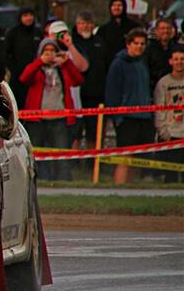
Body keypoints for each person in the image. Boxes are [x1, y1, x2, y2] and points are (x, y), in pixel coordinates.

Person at [19, 38, 84, 181]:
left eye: (52, 50)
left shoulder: (63, 69)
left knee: (61, 153)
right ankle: (38, 181)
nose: (49, 54)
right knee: (37, 153)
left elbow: (78, 80)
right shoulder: (36, 68)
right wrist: (39, 62)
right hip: (37, 119)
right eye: (46, 51)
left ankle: (63, 182)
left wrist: (66, 62)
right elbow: (24, 78)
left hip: (60, 118)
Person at [105, 28, 153, 184]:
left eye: (142, 44)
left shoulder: (142, 62)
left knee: (136, 159)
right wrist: (118, 118)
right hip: (126, 118)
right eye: (136, 43)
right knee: (124, 157)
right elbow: (112, 94)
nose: (139, 46)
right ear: (128, 44)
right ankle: (119, 188)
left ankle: (129, 189)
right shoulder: (118, 64)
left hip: (143, 117)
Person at [72, 11, 108, 147]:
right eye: (82, 23)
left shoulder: (100, 42)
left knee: (94, 132)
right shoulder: (72, 43)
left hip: (96, 94)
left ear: (93, 25)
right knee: (76, 132)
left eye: (88, 23)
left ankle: (92, 164)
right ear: (77, 25)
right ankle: (73, 164)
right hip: (76, 94)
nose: (85, 26)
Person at [154, 46, 184, 183]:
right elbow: (159, 108)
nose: (179, 62)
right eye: (176, 59)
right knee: (170, 176)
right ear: (170, 61)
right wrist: (163, 131)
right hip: (170, 134)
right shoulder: (163, 83)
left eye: (182, 59)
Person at [6, 6, 44, 109]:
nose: (29, 18)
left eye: (31, 15)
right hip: (18, 76)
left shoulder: (38, 32)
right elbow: (5, 53)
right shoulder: (13, 33)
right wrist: (14, 69)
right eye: (25, 15)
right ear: (20, 17)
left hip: (35, 76)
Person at [97, 0, 141, 72]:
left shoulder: (134, 27)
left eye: (119, 5)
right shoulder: (103, 30)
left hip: (131, 67)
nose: (116, 8)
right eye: (114, 5)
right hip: (110, 68)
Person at [147, 17, 177, 90]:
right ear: (156, 31)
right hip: (155, 88)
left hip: (174, 88)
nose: (165, 31)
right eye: (162, 28)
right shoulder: (149, 50)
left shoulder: (177, 49)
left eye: (168, 28)